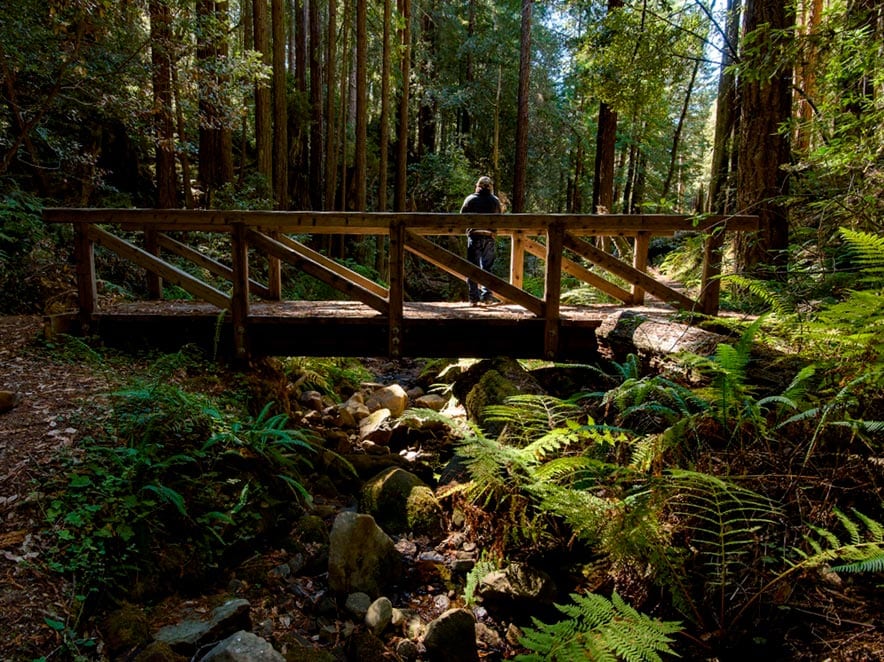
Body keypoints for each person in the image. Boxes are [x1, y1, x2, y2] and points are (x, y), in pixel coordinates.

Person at [460, 176, 502, 305]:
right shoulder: (495, 201)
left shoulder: (470, 199)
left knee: (472, 267)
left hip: (475, 235)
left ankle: (473, 298)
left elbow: (461, 216)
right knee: (487, 268)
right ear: (490, 187)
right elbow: (500, 217)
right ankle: (487, 297)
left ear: (477, 186)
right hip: (489, 236)